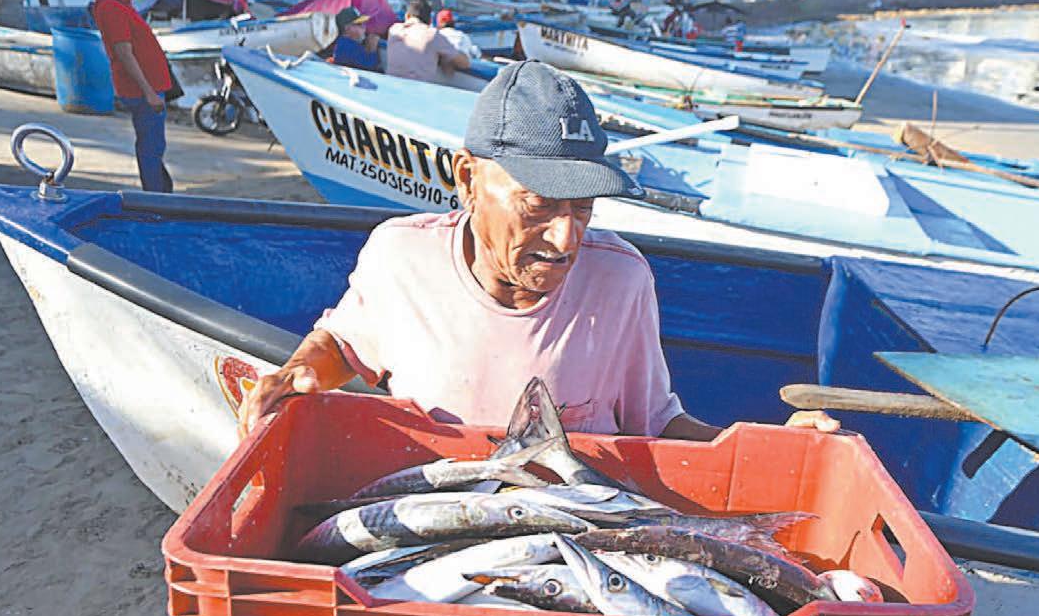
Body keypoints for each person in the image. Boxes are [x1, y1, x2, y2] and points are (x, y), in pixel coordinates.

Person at [239, 62, 720, 441]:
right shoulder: (401, 256)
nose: (566, 239)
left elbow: (654, 425)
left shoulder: (621, 279)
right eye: (539, 205)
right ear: (467, 179)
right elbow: (344, 346)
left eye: (583, 207)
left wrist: (754, 449)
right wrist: (297, 372)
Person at [94, 0, 173, 193]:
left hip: (150, 87)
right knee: (151, 147)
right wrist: (148, 92)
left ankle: (161, 192)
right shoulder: (111, 8)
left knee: (154, 145)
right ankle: (156, 197)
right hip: (142, 90)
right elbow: (124, 53)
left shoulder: (120, 6)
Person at [385, 0, 469, 83]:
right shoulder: (432, 34)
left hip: (392, 85)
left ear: (407, 16)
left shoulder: (394, 30)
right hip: (419, 88)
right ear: (430, 21)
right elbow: (464, 63)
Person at [329, 6, 381, 71]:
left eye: (364, 23)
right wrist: (373, 47)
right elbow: (369, 66)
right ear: (347, 28)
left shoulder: (348, 42)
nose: (364, 27)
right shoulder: (345, 45)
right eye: (359, 24)